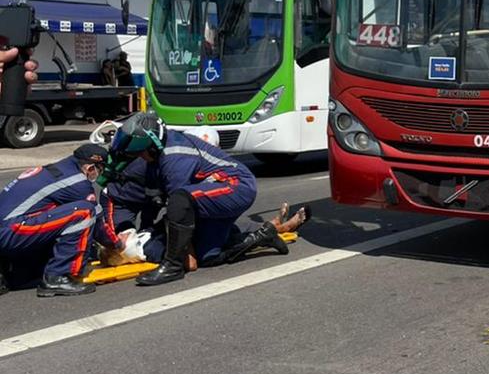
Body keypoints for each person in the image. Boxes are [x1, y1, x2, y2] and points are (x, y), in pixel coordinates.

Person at [103, 112, 300, 286]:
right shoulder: (158, 155)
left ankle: (172, 266)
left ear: (152, 147)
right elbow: (154, 198)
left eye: (140, 152)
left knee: (180, 201)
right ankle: (262, 237)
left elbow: (179, 209)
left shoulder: (174, 157)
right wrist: (144, 229)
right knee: (208, 256)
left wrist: (182, 255)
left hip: (235, 186)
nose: (139, 157)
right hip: (212, 191)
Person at [0, 143, 108, 297]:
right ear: (91, 168)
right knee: (84, 212)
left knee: (56, 216)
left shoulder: (57, 169)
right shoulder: (78, 182)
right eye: (99, 170)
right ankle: (57, 277)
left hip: (8, 229)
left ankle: (17, 270)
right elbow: (99, 225)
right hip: (10, 232)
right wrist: (117, 246)